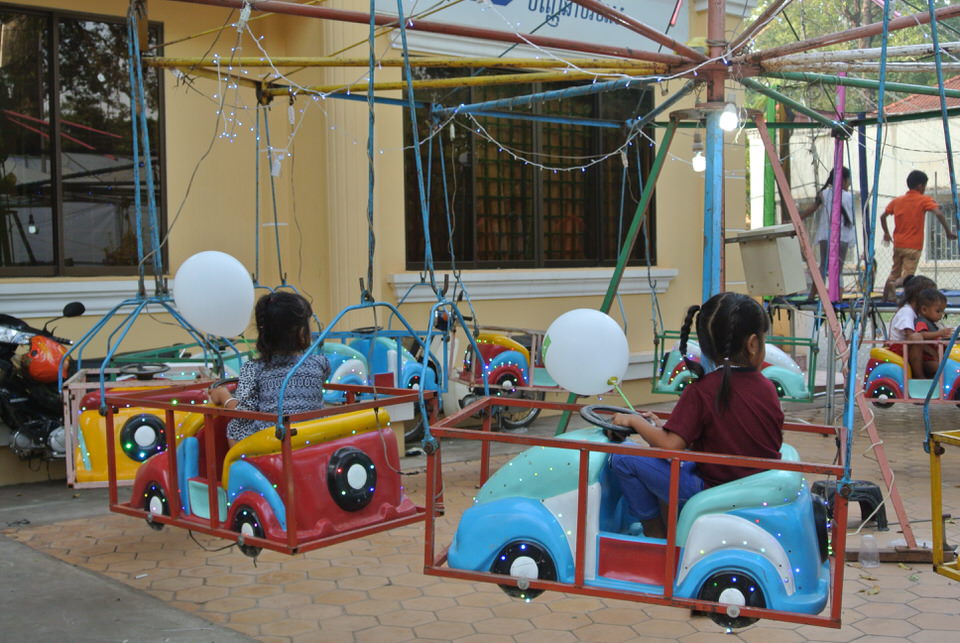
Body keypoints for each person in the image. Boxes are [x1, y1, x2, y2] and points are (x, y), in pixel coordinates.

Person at [607, 293, 783, 539]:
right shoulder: (766, 387)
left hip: (712, 488)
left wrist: (633, 421)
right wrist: (661, 427)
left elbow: (671, 445)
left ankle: (654, 532)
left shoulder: (703, 389)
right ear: (753, 344)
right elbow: (726, 431)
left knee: (622, 458)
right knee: (671, 460)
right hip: (755, 483)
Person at [209, 291, 330, 445]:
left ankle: (237, 462)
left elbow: (243, 413)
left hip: (274, 442)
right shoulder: (320, 363)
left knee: (236, 425)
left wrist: (224, 397)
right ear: (301, 331)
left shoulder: (252, 368)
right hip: (315, 436)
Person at [881, 170, 957, 302]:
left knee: (895, 272)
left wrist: (886, 233)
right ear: (920, 186)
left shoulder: (898, 201)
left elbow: (883, 216)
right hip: (913, 246)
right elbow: (938, 213)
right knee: (908, 276)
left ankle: (887, 296)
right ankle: (900, 292)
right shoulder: (923, 200)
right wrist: (948, 231)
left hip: (898, 244)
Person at [799, 166, 855, 295]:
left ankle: (813, 293)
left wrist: (797, 218)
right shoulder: (849, 197)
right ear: (844, 181)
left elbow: (811, 209)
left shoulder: (824, 194)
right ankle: (838, 296)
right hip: (842, 237)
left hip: (826, 236)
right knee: (838, 269)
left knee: (823, 266)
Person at [887, 275, 936, 378]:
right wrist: (931, 351)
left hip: (910, 348)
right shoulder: (907, 311)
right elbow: (911, 337)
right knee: (916, 337)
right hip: (900, 349)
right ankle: (919, 377)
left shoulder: (918, 313)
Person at [911, 288, 952, 378]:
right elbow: (922, 334)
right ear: (924, 310)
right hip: (927, 359)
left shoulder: (933, 323)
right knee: (943, 368)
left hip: (935, 356)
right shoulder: (922, 322)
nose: (941, 315)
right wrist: (939, 333)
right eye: (938, 311)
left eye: (942, 311)